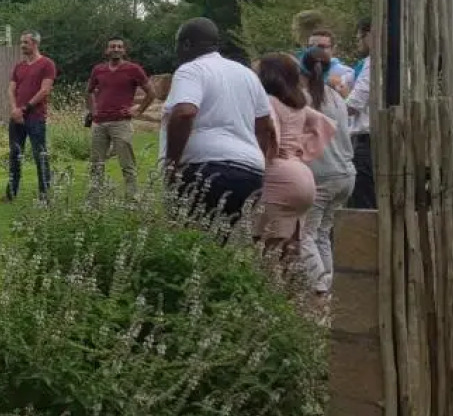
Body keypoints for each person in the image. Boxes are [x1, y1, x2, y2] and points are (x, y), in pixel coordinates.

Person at [162, 18, 277, 224]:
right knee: (222, 237)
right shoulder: (248, 75)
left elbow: (184, 113)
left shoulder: (191, 70)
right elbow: (265, 126)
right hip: (250, 173)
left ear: (186, 44)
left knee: (188, 236)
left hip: (205, 168)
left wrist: (171, 165)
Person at [255, 53, 335, 256]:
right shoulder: (299, 105)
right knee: (289, 248)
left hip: (278, 174)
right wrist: (302, 150)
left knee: (266, 247)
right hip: (303, 174)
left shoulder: (269, 102)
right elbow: (326, 125)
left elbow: (271, 130)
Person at [298, 47, 356, 295]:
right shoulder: (336, 97)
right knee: (322, 233)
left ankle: (320, 288)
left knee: (305, 234)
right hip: (345, 173)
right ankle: (331, 286)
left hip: (320, 175)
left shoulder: (302, 99)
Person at [85, 37, 154, 195]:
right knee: (96, 163)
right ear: (106, 50)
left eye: (119, 46)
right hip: (99, 123)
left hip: (121, 122)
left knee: (127, 163)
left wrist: (138, 111)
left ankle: (132, 197)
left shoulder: (133, 69)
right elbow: (88, 91)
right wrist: (92, 110)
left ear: (124, 50)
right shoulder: (98, 70)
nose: (116, 49)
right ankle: (94, 198)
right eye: (112, 46)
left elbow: (151, 93)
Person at [6, 32, 55, 202]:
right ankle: (11, 193)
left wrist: (25, 108)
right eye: (21, 42)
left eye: (25, 42)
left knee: (40, 155)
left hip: (35, 117)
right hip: (16, 118)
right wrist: (14, 110)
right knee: (14, 154)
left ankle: (44, 195)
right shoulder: (19, 66)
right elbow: (11, 89)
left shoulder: (47, 64)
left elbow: (45, 90)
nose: (22, 45)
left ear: (35, 43)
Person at [346, 19, 375, 210]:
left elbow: (354, 104)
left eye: (359, 38)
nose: (358, 43)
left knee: (364, 201)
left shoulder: (373, 64)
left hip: (366, 139)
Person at [296, 28, 354, 93]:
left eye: (321, 47)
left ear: (333, 49)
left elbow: (349, 97)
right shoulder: (298, 69)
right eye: (310, 47)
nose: (314, 50)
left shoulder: (346, 73)